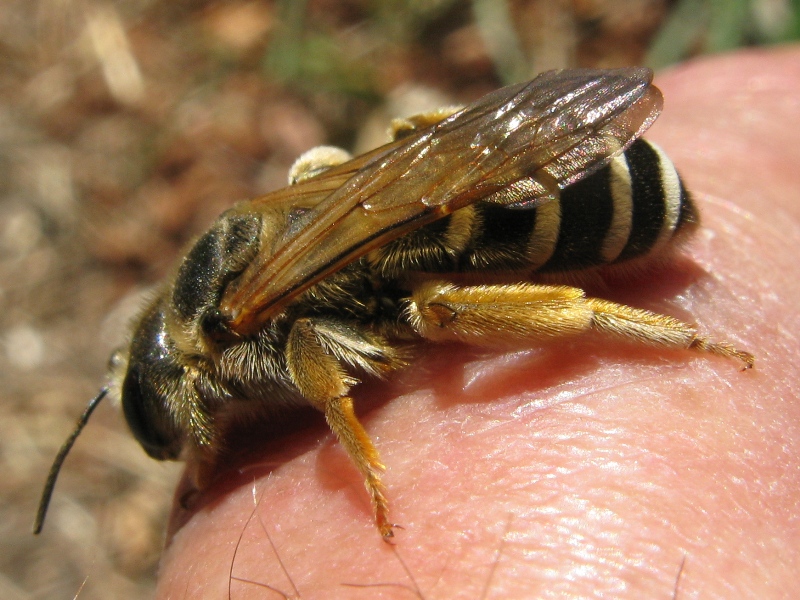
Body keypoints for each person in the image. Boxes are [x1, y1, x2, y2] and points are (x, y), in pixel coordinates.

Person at [155, 46, 800, 598]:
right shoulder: (253, 239)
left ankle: (670, 336)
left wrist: (368, 475)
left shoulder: (237, 315)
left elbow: (305, 359)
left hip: (589, 200)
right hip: (480, 158)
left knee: (442, 311)